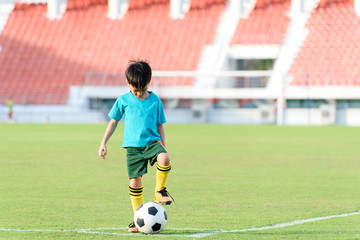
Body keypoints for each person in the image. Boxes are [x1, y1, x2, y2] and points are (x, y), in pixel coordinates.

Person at [98, 60, 174, 233]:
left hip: (152, 142)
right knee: (134, 182)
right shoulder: (123, 100)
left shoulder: (155, 100)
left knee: (165, 157)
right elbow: (113, 122)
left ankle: (159, 191)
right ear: (127, 83)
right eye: (135, 90)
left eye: (142, 90)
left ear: (149, 83)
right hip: (132, 147)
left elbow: (160, 124)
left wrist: (163, 145)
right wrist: (103, 142)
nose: (139, 94)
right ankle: (138, 221)